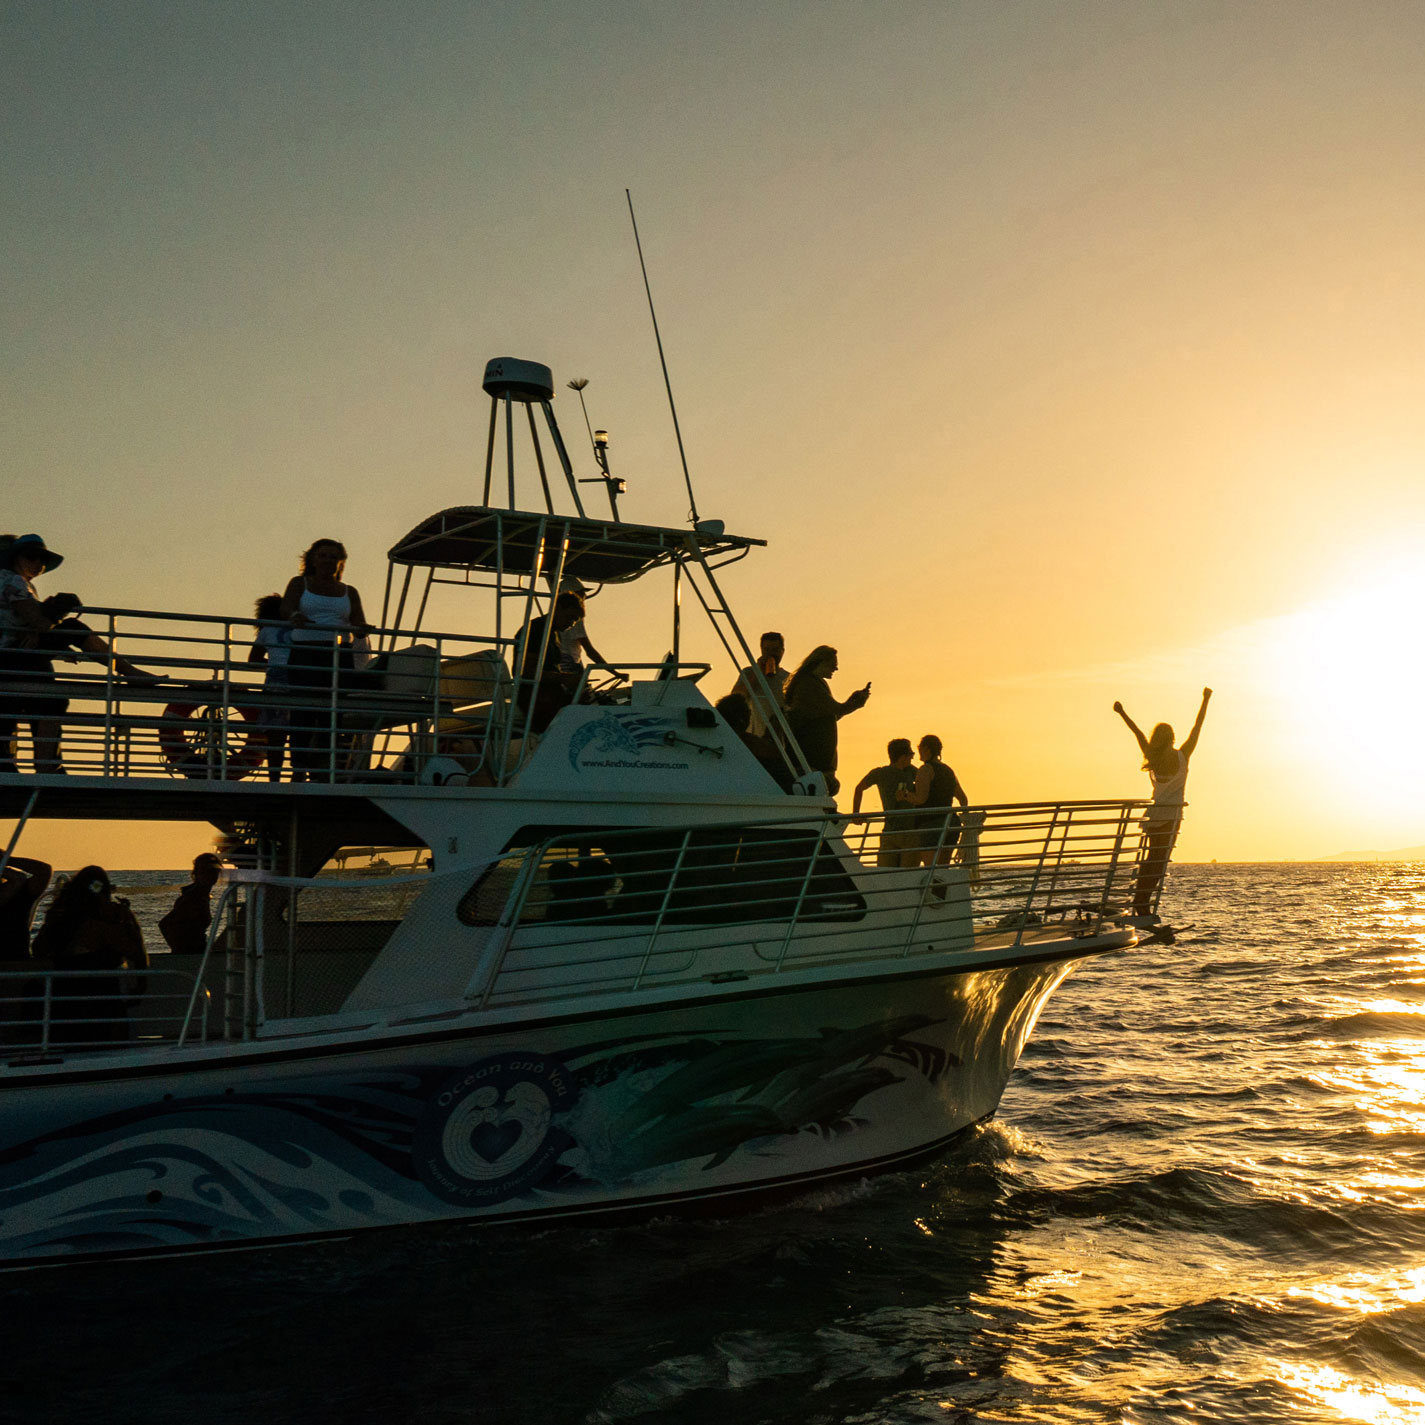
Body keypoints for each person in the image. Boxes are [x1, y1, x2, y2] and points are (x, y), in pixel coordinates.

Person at [0, 533, 159, 775]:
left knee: (45, 700)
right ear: (14, 558)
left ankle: (32, 765)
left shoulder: (14, 581)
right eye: (31, 557)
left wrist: (51, 636)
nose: (36, 563)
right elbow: (34, 618)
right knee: (74, 629)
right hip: (12, 654)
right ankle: (128, 670)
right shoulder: (13, 581)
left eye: (41, 560)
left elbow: (31, 622)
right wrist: (53, 622)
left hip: (17, 654)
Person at [1114, 688, 1212, 918]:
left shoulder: (1153, 756)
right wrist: (1205, 700)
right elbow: (1197, 728)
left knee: (1151, 858)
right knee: (1159, 861)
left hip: (1154, 815)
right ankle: (1141, 901)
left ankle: (1140, 898)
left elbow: (1136, 732)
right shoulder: (1182, 755)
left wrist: (1122, 712)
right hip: (1170, 818)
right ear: (1172, 738)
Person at [279, 539, 370, 779]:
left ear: (340, 562)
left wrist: (361, 628)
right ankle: (299, 768)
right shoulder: (300, 584)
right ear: (312, 559)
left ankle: (325, 769)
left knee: (333, 713)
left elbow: (357, 619)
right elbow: (286, 608)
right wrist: (296, 616)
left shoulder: (350, 591)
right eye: (323, 555)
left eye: (333, 556)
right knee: (303, 712)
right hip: (306, 651)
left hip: (339, 653)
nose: (328, 560)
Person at [31, 865, 148, 1044]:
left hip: (63, 998)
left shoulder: (57, 918)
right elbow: (136, 953)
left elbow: (38, 950)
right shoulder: (99, 927)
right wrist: (127, 921)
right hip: (97, 1001)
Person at [783, 645, 870, 795]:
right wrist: (856, 703)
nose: (835, 669)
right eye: (833, 664)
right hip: (813, 762)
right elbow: (835, 710)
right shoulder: (809, 684)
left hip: (818, 762)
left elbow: (830, 715)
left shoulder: (812, 683)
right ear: (820, 662)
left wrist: (853, 701)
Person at [517, 591, 588, 735]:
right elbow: (527, 672)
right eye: (569, 618)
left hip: (548, 694)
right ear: (558, 608)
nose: (571, 624)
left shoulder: (553, 634)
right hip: (536, 696)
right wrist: (564, 678)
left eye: (575, 621)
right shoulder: (537, 630)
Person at [899, 735, 969, 866]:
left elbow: (920, 799)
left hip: (930, 824)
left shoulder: (925, 769)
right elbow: (963, 799)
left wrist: (905, 795)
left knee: (932, 869)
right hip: (950, 823)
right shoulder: (948, 770)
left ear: (926, 749)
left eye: (919, 748)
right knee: (943, 869)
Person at [850, 739, 919, 867]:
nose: (912, 758)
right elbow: (859, 788)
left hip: (910, 832)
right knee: (886, 873)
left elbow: (925, 787)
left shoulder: (912, 771)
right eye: (911, 755)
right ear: (902, 757)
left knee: (908, 874)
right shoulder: (880, 773)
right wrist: (855, 813)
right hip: (890, 832)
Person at [248, 592, 292, 782]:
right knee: (301, 733)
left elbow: (253, 660)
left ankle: (274, 778)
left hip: (275, 683)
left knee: (276, 736)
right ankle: (297, 776)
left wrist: (273, 665)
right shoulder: (299, 628)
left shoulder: (266, 630)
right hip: (299, 678)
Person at [714, 693, 795, 792]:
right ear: (742, 719)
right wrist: (776, 727)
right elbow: (773, 752)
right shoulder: (745, 740)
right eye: (748, 712)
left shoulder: (723, 739)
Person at [158, 853, 223, 956]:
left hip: (200, 951)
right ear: (197, 874)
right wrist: (181, 952)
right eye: (205, 872)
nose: (211, 876)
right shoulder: (192, 898)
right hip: (192, 954)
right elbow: (165, 924)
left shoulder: (203, 896)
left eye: (214, 871)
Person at [731, 632, 788, 739]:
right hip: (753, 736)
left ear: (782, 651)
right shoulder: (748, 672)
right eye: (767, 650)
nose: (770, 654)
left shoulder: (788, 678)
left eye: (775, 650)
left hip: (780, 738)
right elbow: (736, 697)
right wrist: (758, 673)